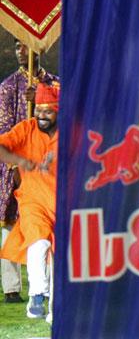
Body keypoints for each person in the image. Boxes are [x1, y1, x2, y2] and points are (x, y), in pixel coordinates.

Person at [0, 42, 57, 307]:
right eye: (18, 48)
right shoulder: (9, 88)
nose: (22, 53)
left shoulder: (57, 84)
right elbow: (3, 131)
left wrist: (44, 98)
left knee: (55, 245)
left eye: (27, 47)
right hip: (22, 176)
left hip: (58, 189)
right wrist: (17, 164)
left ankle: (53, 298)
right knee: (21, 230)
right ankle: (18, 290)